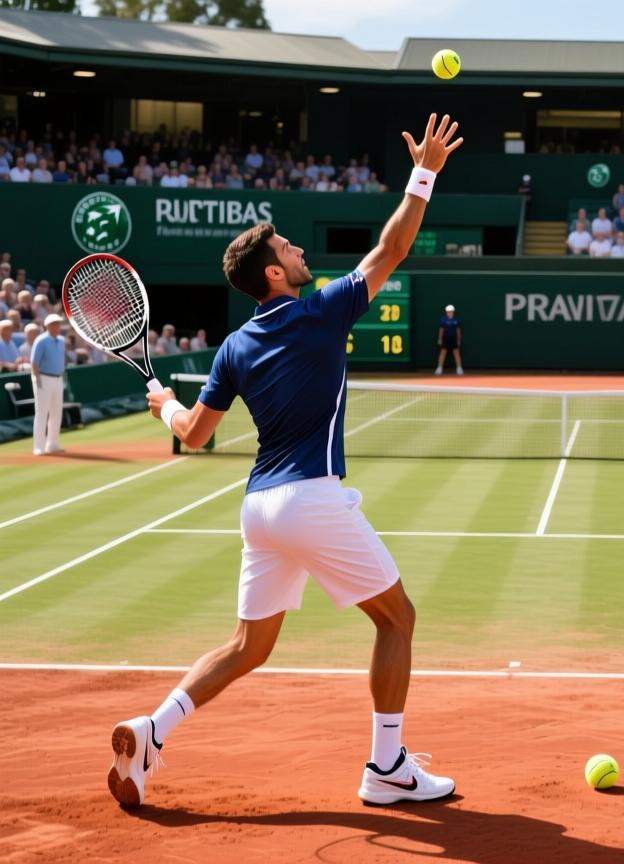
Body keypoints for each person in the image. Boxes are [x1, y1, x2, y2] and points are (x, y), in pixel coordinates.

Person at [111, 112, 463, 811]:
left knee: (248, 645)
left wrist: (165, 405)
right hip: (310, 497)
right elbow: (392, 247)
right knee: (397, 619)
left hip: (259, 509)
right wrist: (423, 175)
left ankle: (152, 730)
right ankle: (387, 766)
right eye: (288, 247)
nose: (300, 249)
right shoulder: (322, 311)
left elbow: (194, 435)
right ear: (274, 272)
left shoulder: (233, 347)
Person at [30, 313, 67, 455]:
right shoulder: (41, 340)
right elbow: (34, 363)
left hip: (58, 379)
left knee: (57, 413)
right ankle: (38, 446)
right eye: (55, 324)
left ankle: (52, 444)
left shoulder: (61, 341)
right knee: (42, 413)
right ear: (48, 326)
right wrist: (37, 380)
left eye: (58, 324)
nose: (58, 326)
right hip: (43, 379)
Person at [436, 304, 463, 375]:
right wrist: (440, 339)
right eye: (448, 311)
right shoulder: (443, 320)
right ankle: (439, 368)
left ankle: (459, 368)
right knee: (443, 353)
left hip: (453, 338)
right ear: (446, 312)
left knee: (456, 353)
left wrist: (458, 340)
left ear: (453, 312)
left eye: (451, 311)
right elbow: (441, 330)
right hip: (445, 338)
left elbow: (458, 331)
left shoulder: (456, 320)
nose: (449, 313)